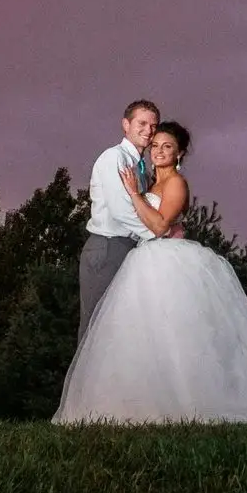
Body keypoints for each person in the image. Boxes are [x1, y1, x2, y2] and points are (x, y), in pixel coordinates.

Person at [55, 119, 247, 424]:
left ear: (179, 154)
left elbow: (161, 225)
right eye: (155, 146)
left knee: (180, 330)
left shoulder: (176, 183)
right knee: (145, 333)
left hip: (169, 260)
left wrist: (135, 195)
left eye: (167, 147)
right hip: (144, 258)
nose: (159, 151)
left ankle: (197, 404)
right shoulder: (151, 183)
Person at [79, 98, 162, 331]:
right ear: (126, 125)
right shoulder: (114, 158)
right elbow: (121, 211)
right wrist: (157, 235)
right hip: (107, 248)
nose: (148, 130)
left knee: (120, 329)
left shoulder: (141, 166)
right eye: (142, 123)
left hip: (129, 250)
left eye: (153, 126)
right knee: (96, 327)